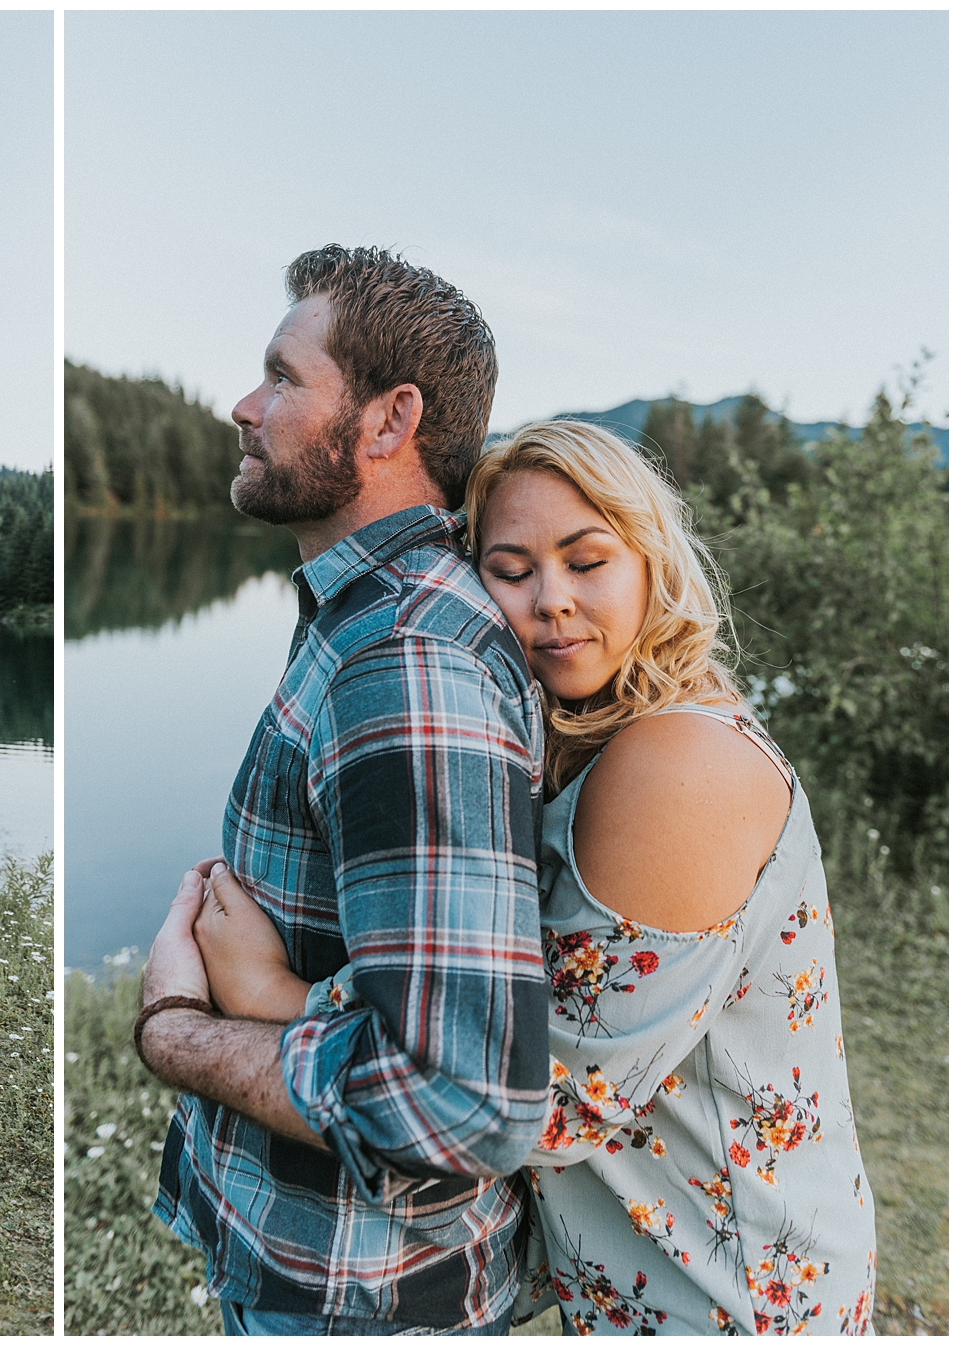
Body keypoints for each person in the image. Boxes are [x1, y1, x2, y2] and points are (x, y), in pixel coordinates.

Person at [203, 419, 878, 1335]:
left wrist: (269, 992)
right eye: (511, 572)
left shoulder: (678, 764)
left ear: (651, 561)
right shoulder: (601, 735)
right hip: (651, 1273)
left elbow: (524, 1102)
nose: (551, 599)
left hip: (728, 1288)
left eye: (586, 560)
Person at [136, 245, 550, 1334]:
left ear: (385, 420)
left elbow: (462, 1102)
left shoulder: (406, 664)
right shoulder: (364, 617)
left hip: (360, 1298)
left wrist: (175, 1028)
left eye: (281, 375)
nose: (243, 404)